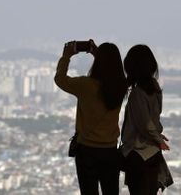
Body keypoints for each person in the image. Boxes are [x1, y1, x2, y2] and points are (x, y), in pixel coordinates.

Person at [54, 40, 127, 195]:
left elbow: (60, 79)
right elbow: (110, 70)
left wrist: (66, 56)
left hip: (86, 151)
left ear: (98, 61)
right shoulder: (121, 86)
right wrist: (97, 53)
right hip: (110, 151)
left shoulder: (85, 85)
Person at [121, 44, 173, 195]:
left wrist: (158, 138)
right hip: (153, 153)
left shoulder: (137, 93)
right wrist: (157, 137)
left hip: (138, 155)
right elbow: (154, 117)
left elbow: (145, 123)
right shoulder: (155, 87)